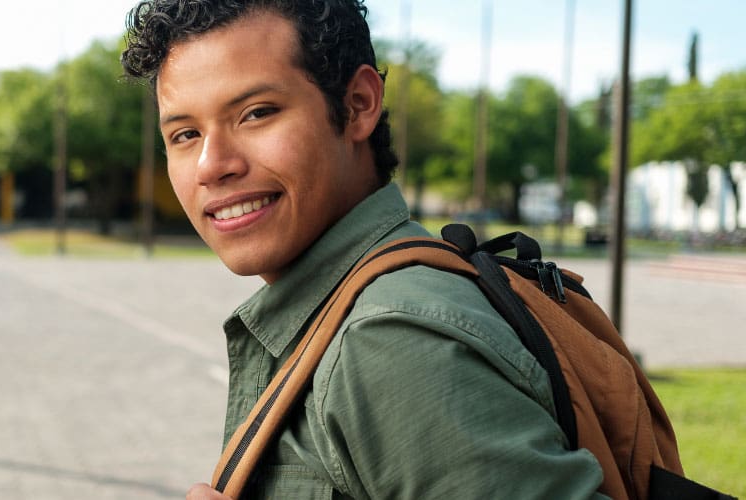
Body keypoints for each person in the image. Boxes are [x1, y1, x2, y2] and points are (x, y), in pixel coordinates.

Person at [120, 1, 606, 498]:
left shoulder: (388, 338)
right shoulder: (368, 297)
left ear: (357, 105)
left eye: (256, 113)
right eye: (185, 134)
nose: (210, 165)